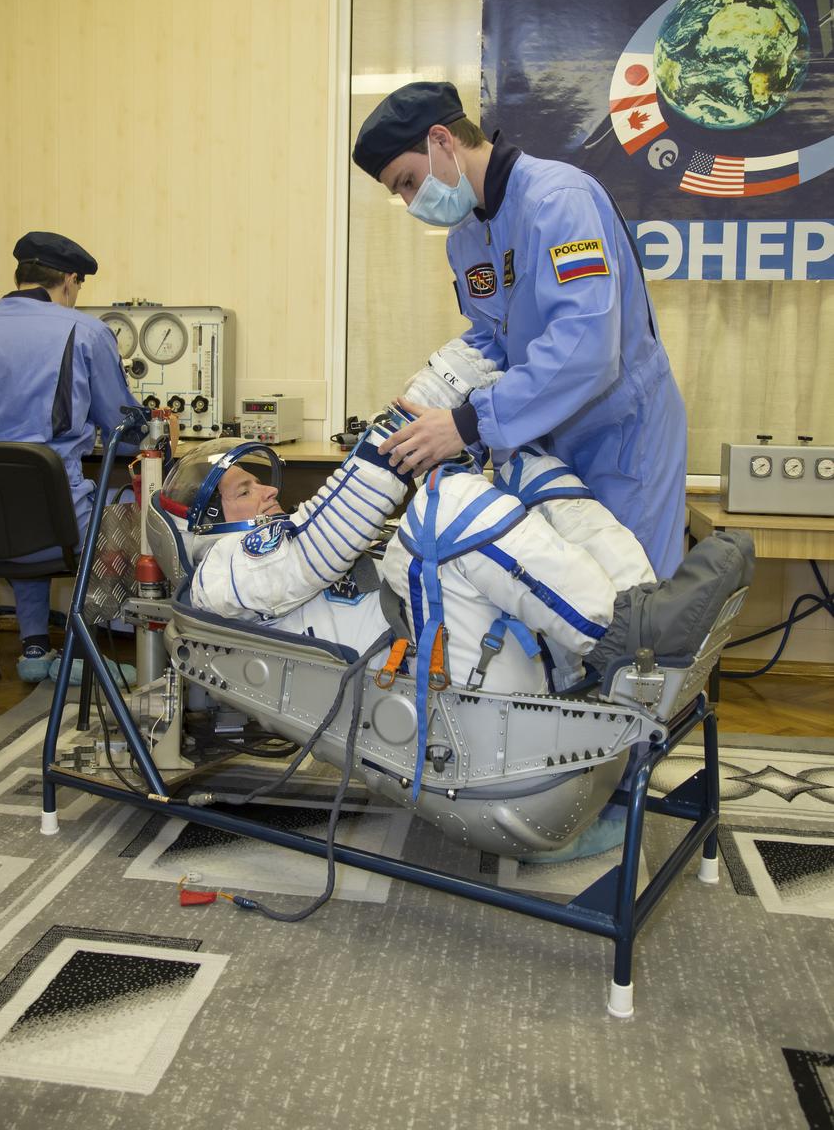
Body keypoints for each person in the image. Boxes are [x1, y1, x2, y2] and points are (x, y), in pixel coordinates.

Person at [152, 414, 752, 860]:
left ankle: (643, 630)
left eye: (260, 484)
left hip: (496, 697)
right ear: (205, 526)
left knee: (526, 465)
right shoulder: (222, 571)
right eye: (245, 491)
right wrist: (406, 442)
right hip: (469, 740)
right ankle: (626, 636)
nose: (268, 492)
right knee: (444, 505)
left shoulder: (272, 556)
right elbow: (316, 547)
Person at [351, 80, 688, 580]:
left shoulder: (558, 200)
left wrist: (467, 423)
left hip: (621, 437)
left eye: (408, 181)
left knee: (637, 598)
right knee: (569, 603)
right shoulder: (466, 237)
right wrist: (438, 390)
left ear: (441, 140)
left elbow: (586, 345)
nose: (410, 201)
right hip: (544, 438)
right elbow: (494, 339)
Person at [0, 231, 142, 681]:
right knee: (133, 506)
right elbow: (124, 433)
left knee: (18, 501)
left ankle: (34, 649)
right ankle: (87, 647)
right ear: (70, 280)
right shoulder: (86, 331)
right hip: (58, 526)